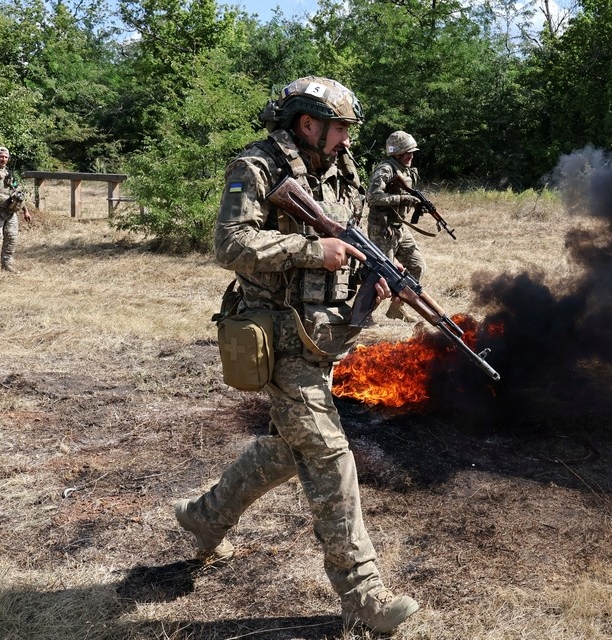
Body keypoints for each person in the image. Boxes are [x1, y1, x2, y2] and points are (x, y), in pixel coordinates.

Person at [173, 76, 419, 634]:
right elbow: (229, 243)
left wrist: (372, 279)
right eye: (339, 127)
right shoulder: (256, 167)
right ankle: (363, 595)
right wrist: (312, 249)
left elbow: (348, 244)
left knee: (289, 448)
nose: (347, 138)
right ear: (307, 123)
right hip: (277, 338)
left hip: (321, 339)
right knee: (329, 453)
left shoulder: (341, 169)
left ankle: (206, 517)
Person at [365, 130, 427, 322]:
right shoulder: (385, 169)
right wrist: (401, 199)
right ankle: (364, 315)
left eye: (412, 152)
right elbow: (372, 197)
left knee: (417, 266)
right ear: (397, 153)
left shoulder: (407, 170)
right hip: (382, 229)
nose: (411, 156)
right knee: (381, 274)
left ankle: (396, 308)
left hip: (399, 227)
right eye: (407, 152)